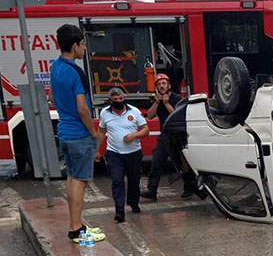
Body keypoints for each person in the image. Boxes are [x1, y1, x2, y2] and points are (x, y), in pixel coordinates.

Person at [50, 24, 97, 241]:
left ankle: (74, 224)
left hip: (64, 132)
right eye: (83, 44)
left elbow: (51, 97)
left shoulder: (56, 67)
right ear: (75, 45)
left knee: (71, 178)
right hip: (79, 134)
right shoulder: (77, 72)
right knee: (80, 180)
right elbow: (82, 108)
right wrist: (93, 132)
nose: (85, 48)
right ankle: (77, 228)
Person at [97, 88, 148, 223]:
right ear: (110, 101)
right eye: (116, 100)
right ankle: (119, 211)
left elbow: (145, 130)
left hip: (133, 152)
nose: (119, 102)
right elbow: (101, 132)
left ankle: (133, 202)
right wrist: (96, 150)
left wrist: (134, 135)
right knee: (117, 180)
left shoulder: (134, 112)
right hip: (114, 153)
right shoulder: (105, 113)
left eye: (121, 99)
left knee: (134, 179)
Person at [140, 74, 195, 199]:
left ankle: (189, 188)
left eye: (164, 83)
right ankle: (152, 190)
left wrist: (166, 104)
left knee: (183, 164)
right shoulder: (156, 100)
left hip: (177, 136)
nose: (162, 86)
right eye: (159, 84)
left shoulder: (177, 98)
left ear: (168, 85)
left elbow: (177, 115)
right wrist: (157, 103)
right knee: (156, 162)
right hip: (164, 136)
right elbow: (149, 115)